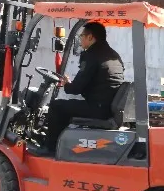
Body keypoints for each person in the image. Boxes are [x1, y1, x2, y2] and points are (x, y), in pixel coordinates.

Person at [34, 21, 125, 155]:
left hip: (98, 108)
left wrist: (67, 84)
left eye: (82, 36)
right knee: (67, 106)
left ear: (90, 37)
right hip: (106, 106)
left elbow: (75, 89)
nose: (80, 39)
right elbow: (94, 82)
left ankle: (50, 148)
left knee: (56, 106)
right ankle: (61, 142)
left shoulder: (92, 55)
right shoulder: (113, 55)